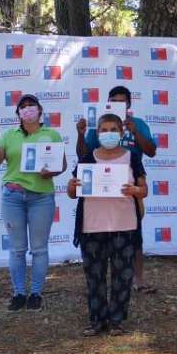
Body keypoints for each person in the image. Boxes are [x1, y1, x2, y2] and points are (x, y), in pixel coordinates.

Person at [67, 113, 148, 336]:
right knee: (95, 277)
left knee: (122, 276)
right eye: (104, 129)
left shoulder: (132, 158)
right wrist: (72, 185)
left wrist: (135, 191)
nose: (108, 133)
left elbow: (144, 189)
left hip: (125, 226)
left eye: (114, 129)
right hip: (92, 227)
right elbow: (72, 193)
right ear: (97, 133)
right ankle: (97, 320)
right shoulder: (87, 158)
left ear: (122, 133)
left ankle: (116, 321)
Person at [77, 85, 158, 294]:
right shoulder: (102, 125)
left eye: (122, 101)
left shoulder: (138, 124)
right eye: (114, 101)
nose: (118, 104)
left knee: (135, 234)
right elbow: (84, 155)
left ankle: (138, 279)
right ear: (108, 102)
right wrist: (81, 134)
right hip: (101, 190)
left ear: (129, 103)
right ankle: (103, 281)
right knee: (103, 238)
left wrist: (135, 132)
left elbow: (151, 151)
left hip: (130, 189)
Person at [0, 94, 63, 311]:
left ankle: (36, 293)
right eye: (23, 106)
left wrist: (52, 171)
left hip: (41, 197)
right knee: (17, 249)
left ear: (40, 111)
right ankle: (19, 293)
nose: (27, 109)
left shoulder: (51, 134)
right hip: (13, 197)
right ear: (18, 113)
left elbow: (62, 165)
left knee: (39, 249)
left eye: (32, 106)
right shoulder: (10, 135)